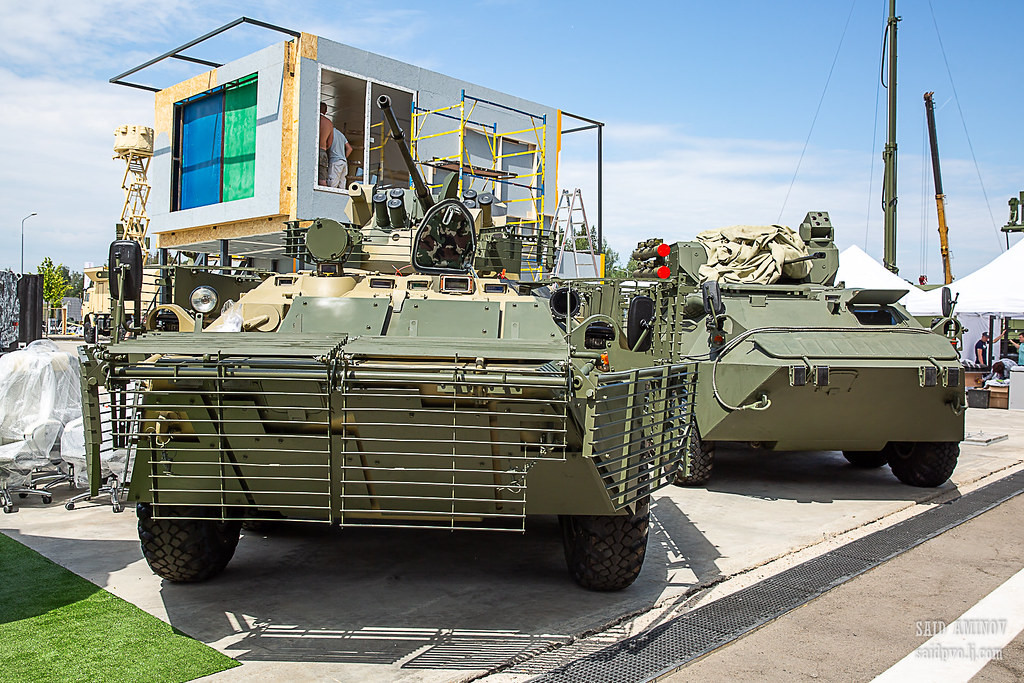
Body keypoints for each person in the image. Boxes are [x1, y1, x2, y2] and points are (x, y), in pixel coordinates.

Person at [326, 124, 352, 189]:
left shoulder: (330, 132)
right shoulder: (340, 134)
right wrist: (343, 157)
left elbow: (327, 145)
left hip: (335, 161)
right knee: (342, 185)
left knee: (332, 185)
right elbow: (350, 148)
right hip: (343, 162)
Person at [318, 103, 333, 186]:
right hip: (322, 151)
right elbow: (329, 142)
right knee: (322, 178)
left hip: (312, 150)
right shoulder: (329, 123)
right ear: (325, 111)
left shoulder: (314, 120)